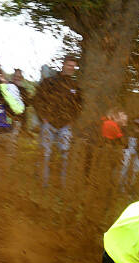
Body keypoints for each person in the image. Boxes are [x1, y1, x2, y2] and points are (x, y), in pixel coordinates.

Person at [32, 55, 82, 188]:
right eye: (69, 65)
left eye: (73, 66)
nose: (71, 68)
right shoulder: (50, 82)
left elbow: (79, 106)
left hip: (65, 126)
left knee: (65, 155)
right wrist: (43, 117)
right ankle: (43, 184)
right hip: (48, 123)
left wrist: (72, 121)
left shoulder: (75, 86)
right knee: (45, 153)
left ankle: (63, 185)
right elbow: (37, 100)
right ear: (63, 65)